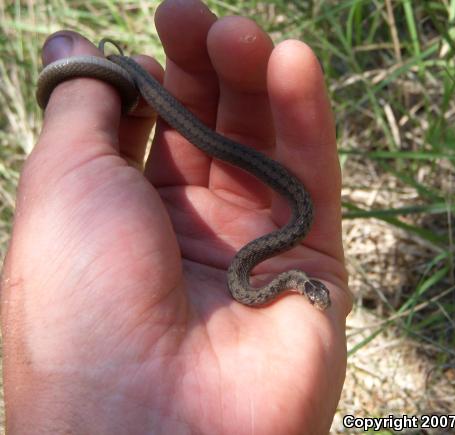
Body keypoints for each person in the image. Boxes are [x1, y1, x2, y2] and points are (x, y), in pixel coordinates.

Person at [1, 0, 350, 433]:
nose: (317, 302)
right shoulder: (283, 268)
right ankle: (132, 73)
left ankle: (132, 72)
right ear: (301, 287)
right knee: (220, 99)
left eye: (313, 298)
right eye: (314, 296)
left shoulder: (268, 279)